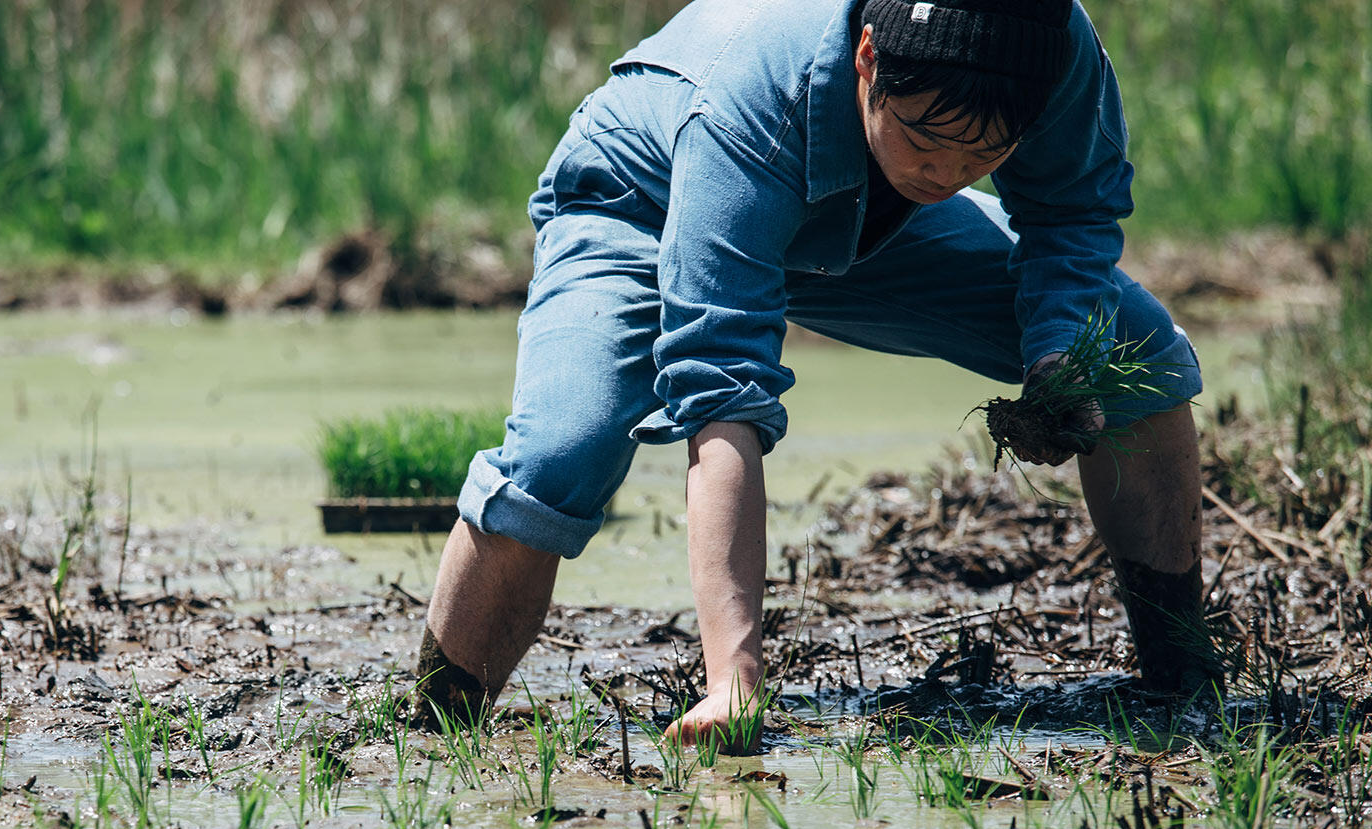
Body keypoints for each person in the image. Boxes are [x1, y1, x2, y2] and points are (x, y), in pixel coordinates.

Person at [415, 0, 1216, 743]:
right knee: (565, 452)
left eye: (986, 153)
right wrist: (734, 680)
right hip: (639, 200)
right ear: (868, 59)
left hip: (860, 216)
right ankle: (435, 732)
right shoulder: (753, 100)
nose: (947, 174)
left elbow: (1070, 214)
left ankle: (1182, 679)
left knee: (1134, 352)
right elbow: (722, 389)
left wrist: (1057, 357)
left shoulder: (1052, 42)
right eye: (926, 139)